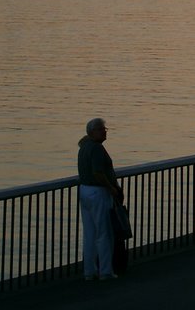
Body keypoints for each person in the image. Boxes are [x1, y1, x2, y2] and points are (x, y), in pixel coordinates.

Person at [78, 117, 122, 281]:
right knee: (104, 233)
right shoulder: (96, 148)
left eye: (104, 129)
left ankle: (89, 271)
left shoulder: (84, 147)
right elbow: (98, 173)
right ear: (93, 132)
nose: (105, 131)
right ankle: (105, 271)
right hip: (98, 193)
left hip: (85, 191)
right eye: (102, 129)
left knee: (90, 233)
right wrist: (111, 188)